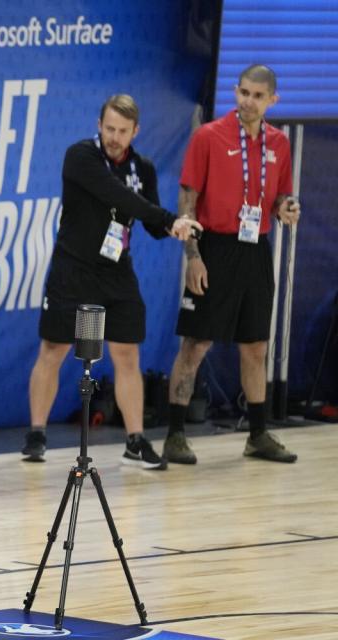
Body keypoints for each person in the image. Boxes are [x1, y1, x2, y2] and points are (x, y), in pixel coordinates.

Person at [22, 95, 200, 469]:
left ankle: (135, 442)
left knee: (126, 353)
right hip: (73, 271)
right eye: (109, 129)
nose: (114, 137)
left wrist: (176, 226)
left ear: (136, 131)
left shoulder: (144, 168)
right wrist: (169, 218)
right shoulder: (81, 157)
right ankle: (36, 434)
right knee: (54, 349)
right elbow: (117, 196)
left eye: (122, 131)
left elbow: (149, 224)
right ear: (99, 124)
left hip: (116, 271)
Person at [163, 65, 300, 465]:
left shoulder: (279, 144)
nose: (248, 101)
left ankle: (257, 434)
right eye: (243, 92)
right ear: (235, 91)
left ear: (272, 100)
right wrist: (193, 257)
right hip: (214, 247)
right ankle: (174, 434)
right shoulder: (208, 136)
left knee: (256, 345)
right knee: (196, 343)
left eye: (257, 96)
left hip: (255, 248)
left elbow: (279, 198)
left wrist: (286, 207)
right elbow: (187, 201)